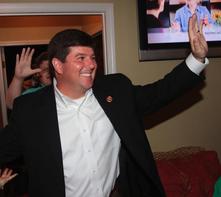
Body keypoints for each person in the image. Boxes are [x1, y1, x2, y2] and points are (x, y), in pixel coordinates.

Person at [0, 14, 208, 197]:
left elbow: (160, 93)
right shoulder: (30, 109)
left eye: (92, 58)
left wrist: (196, 59)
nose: (91, 65)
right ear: (58, 65)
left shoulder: (115, 90)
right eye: (80, 58)